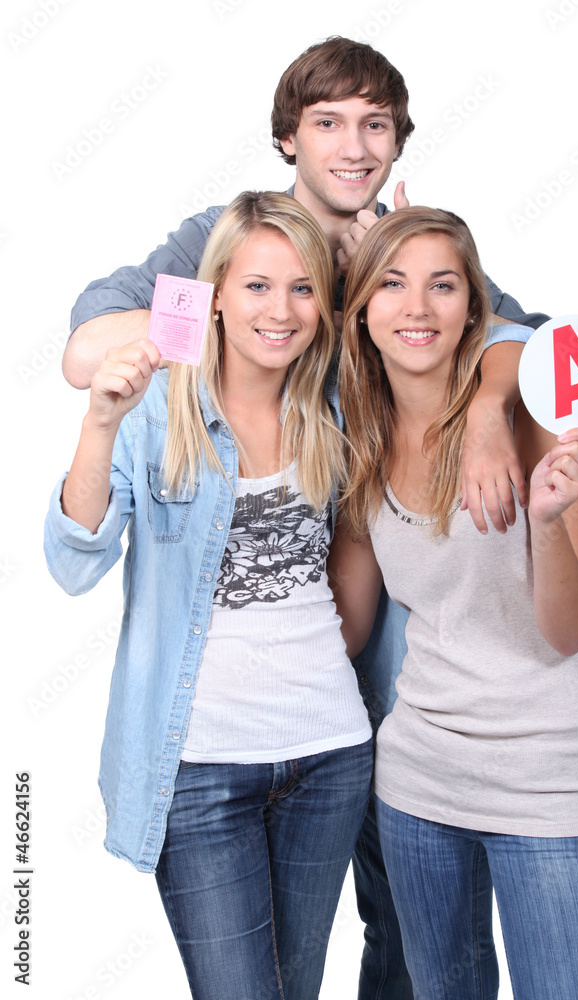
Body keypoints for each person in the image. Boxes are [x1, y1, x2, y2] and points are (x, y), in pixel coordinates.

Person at [59, 37, 548, 999]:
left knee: (415, 922)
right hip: (239, 695)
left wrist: (482, 398)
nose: (352, 147)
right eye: (328, 122)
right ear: (288, 137)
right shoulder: (229, 237)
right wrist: (264, 304)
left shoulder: (407, 250)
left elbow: (529, 341)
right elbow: (86, 349)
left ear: (398, 141)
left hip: (390, 657)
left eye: (375, 125)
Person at [45, 191, 375, 1000]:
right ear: (213, 294)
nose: (280, 311)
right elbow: (74, 565)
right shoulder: (156, 407)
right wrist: (99, 424)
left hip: (329, 753)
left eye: (302, 288)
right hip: (198, 770)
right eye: (257, 286)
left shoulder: (335, 403)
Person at [330, 206, 578, 1000]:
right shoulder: (362, 443)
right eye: (391, 284)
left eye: (442, 285)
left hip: (549, 785)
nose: (416, 308)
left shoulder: (539, 422)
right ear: (361, 308)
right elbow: (344, 629)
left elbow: (567, 631)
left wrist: (547, 521)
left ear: (472, 309)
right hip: (418, 784)